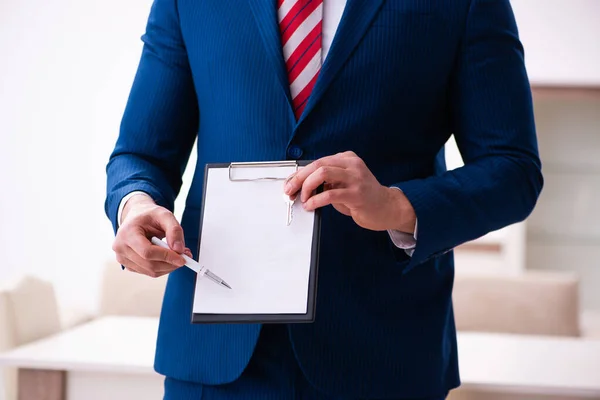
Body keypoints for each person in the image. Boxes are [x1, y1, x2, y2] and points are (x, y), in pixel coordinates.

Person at [105, 0, 543, 398]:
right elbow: (140, 154)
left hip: (383, 356)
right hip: (215, 357)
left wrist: (396, 205)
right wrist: (136, 205)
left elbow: (512, 168)